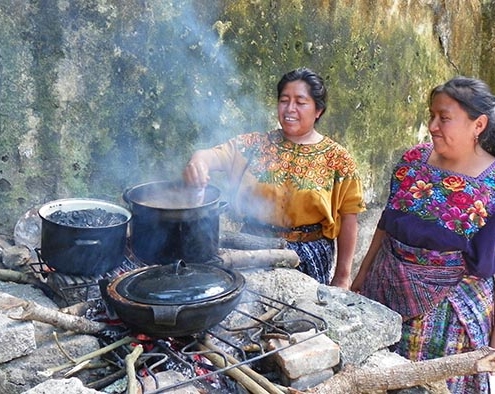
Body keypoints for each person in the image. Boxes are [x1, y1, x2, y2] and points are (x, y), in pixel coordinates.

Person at [351, 76, 495, 393]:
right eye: (431, 115)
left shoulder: (493, 185)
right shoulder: (412, 160)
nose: (432, 126)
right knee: (378, 379)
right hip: (383, 293)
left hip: (447, 317)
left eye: (444, 118)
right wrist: (362, 273)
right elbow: (387, 222)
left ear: (478, 125)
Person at [183, 67, 365, 288]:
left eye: (300, 102)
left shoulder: (337, 158)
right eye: (284, 100)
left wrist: (343, 276)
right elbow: (212, 155)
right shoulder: (254, 145)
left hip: (308, 257)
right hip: (252, 248)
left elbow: (349, 217)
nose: (290, 109)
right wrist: (198, 162)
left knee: (301, 317)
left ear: (318, 110)